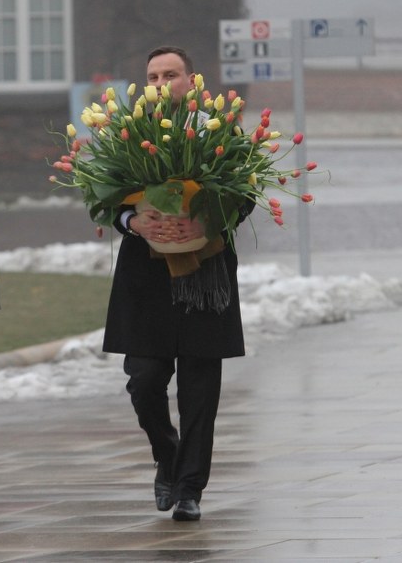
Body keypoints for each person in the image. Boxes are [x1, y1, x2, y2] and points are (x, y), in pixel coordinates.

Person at [103, 46, 251, 522]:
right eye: (153, 76)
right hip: (145, 280)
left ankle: (189, 488)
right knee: (144, 381)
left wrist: (205, 222)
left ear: (192, 80)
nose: (162, 83)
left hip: (205, 280)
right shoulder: (124, 133)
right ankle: (167, 455)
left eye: (172, 74)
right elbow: (105, 196)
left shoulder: (220, 130)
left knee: (199, 393)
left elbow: (242, 196)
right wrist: (133, 221)